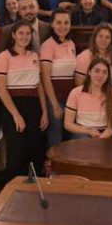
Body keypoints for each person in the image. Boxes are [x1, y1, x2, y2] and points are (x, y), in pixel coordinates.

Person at [0, 21, 48, 179]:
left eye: (28, 33)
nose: (24, 37)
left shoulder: (34, 56)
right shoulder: (4, 57)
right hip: (12, 105)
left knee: (35, 149)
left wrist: (44, 111)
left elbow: (39, 86)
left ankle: (34, 188)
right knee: (17, 151)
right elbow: (0, 88)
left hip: (34, 105)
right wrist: (16, 115)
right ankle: (13, 188)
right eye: (21, 33)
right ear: (13, 35)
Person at [40, 8, 76, 147]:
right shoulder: (48, 45)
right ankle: (52, 167)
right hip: (55, 99)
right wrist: (54, 104)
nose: (63, 26)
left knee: (69, 136)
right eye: (59, 22)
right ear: (52, 24)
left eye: (66, 22)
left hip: (70, 99)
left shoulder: (71, 44)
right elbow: (45, 78)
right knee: (55, 135)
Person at [65, 58, 112, 139]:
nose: (100, 75)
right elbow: (68, 124)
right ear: (89, 72)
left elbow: (111, 128)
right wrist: (88, 131)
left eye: (105, 72)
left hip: (104, 134)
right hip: (82, 132)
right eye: (97, 71)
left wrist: (100, 138)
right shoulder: (76, 93)